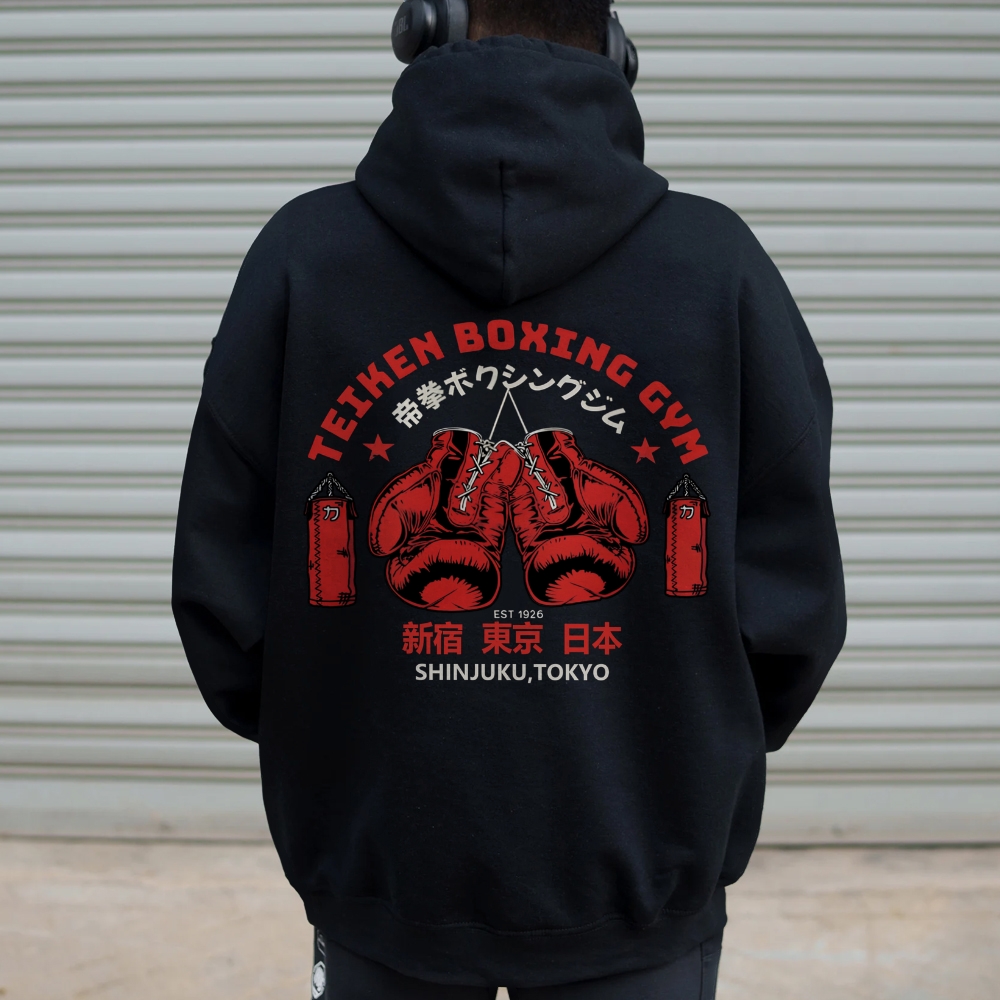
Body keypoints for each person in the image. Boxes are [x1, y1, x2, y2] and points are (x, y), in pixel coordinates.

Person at [171, 0, 847, 997]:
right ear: (615, 49)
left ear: (428, 27)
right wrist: (685, 754)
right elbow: (793, 605)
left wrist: (334, 743)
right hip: (640, 877)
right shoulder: (718, 265)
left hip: (380, 869)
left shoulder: (303, 257)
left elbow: (224, 591)